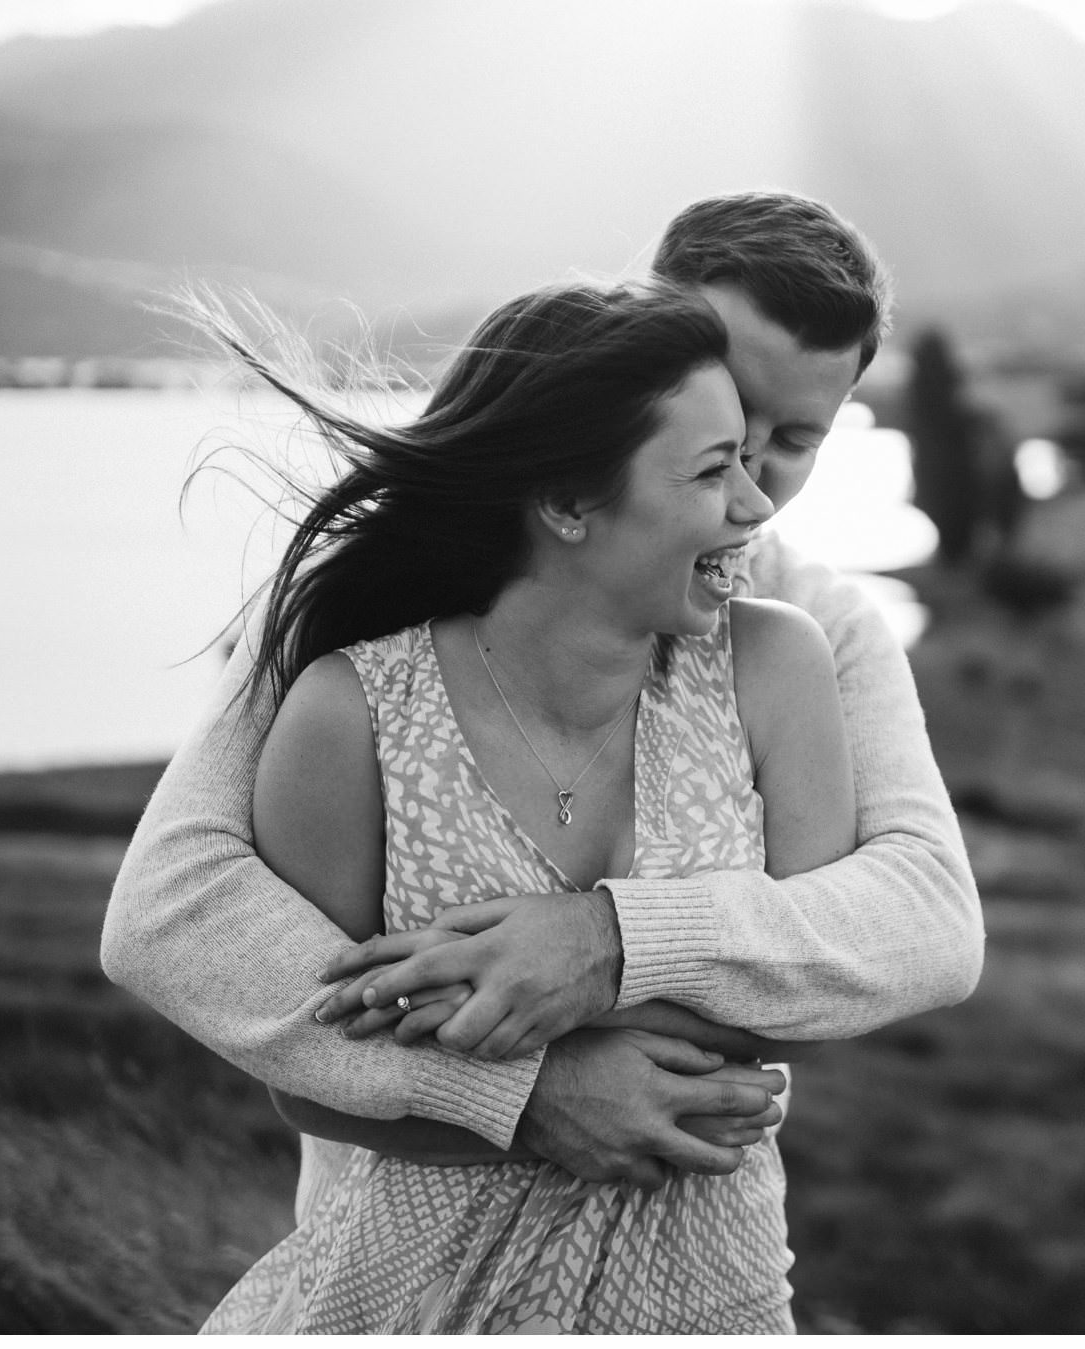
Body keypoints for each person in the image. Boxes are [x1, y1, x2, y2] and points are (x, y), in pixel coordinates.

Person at [192, 278, 857, 1331]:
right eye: (710, 466)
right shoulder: (351, 713)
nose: (755, 502)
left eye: (748, 456)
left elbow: (815, 988)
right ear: (565, 502)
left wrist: (574, 970)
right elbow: (307, 1070)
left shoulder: (777, 666)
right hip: (414, 1296)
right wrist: (538, 1102)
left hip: (707, 1295)